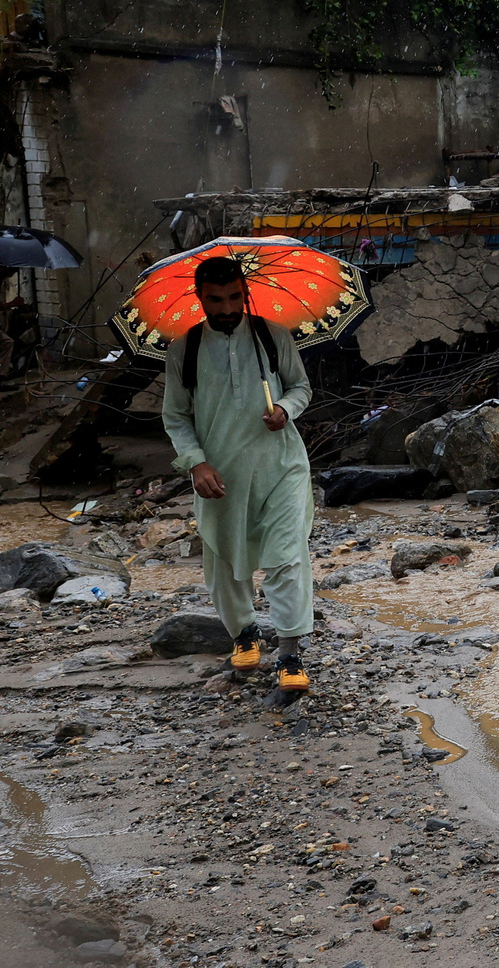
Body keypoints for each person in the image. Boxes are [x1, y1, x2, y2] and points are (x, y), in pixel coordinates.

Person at [160, 255, 317, 694]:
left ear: (244, 293)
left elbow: (301, 387)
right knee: (226, 558)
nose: (227, 308)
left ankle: (289, 656)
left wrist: (286, 409)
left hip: (281, 466)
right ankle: (244, 635)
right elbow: (175, 417)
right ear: (201, 298)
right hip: (220, 474)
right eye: (216, 299)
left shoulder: (272, 336)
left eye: (234, 297)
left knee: (287, 556)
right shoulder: (184, 350)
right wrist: (196, 462)